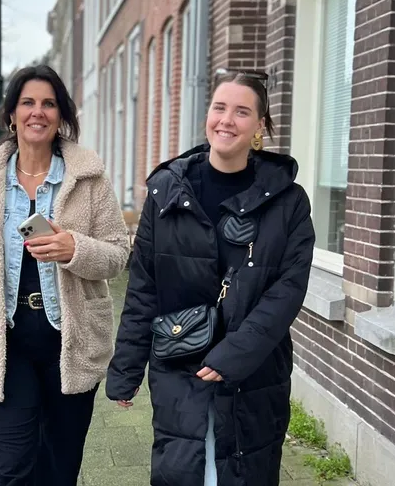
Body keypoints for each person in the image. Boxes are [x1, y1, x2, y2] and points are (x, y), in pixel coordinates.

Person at [105, 69, 315, 485]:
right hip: (180, 363)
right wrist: (126, 369)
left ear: (260, 125)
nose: (227, 120)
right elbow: (144, 287)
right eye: (220, 108)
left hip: (254, 373)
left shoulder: (288, 201)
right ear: (207, 114)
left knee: (244, 469)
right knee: (183, 470)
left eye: (242, 112)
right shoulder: (166, 192)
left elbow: (287, 291)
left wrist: (233, 355)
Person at [0, 65, 130, 486]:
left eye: (48, 103)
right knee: (7, 471)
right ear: (11, 114)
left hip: (70, 341)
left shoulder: (89, 176)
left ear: (61, 115)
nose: (37, 112)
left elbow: (118, 254)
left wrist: (74, 248)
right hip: (3, 344)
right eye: (27, 103)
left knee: (59, 470)